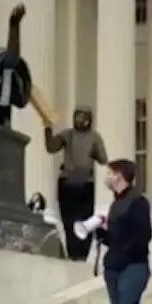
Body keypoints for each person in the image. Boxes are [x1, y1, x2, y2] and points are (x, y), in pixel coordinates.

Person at [95, 159, 152, 304]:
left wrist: (124, 250)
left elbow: (144, 235)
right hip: (113, 266)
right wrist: (102, 234)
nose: (107, 177)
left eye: (110, 173)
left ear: (120, 175)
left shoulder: (138, 201)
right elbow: (115, 238)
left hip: (133, 264)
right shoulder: (115, 204)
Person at [46, 105, 109, 261]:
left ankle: (82, 254)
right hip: (68, 182)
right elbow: (51, 147)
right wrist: (48, 129)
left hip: (85, 183)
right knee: (68, 220)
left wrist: (95, 151)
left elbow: (103, 159)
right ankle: (73, 253)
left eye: (82, 117)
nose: (79, 119)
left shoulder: (94, 137)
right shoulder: (67, 135)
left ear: (89, 119)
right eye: (77, 116)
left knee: (85, 219)